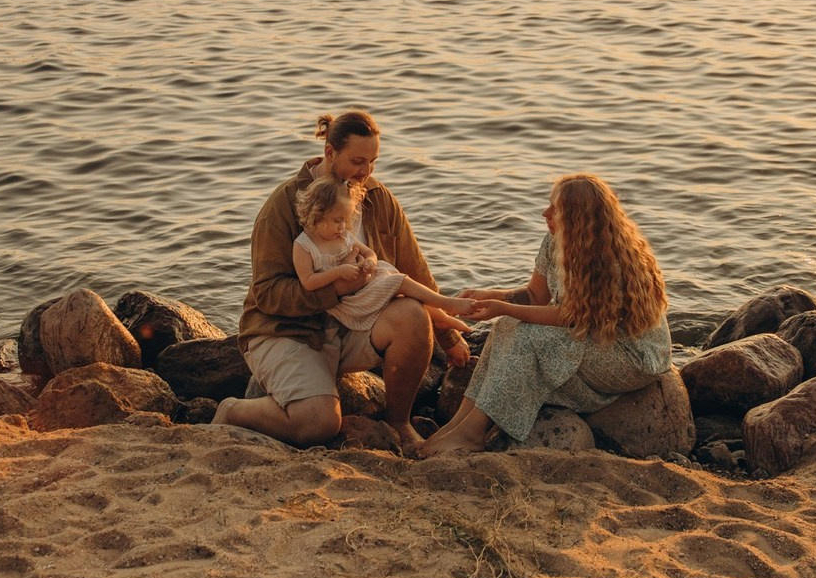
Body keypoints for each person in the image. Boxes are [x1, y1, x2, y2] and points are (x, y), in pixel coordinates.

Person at [219, 111, 471, 450]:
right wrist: (336, 288)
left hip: (353, 323)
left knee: (412, 315)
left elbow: (414, 269)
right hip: (288, 330)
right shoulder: (285, 204)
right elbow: (267, 293)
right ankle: (232, 410)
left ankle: (398, 424)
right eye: (357, 161)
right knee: (318, 423)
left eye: (373, 161)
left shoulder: (377, 197)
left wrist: (448, 337)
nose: (367, 172)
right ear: (330, 152)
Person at [418, 173, 672, 457]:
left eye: (555, 208)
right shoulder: (553, 241)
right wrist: (491, 295)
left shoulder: (605, 258)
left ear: (577, 218)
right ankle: (458, 425)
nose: (545, 212)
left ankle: (474, 433)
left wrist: (505, 308)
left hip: (631, 354)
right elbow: (534, 295)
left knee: (529, 337)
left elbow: (572, 318)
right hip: (593, 336)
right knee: (506, 326)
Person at [292, 175, 475, 330]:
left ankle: (441, 316)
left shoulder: (343, 236)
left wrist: (370, 262)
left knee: (399, 287)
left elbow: (368, 252)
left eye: (345, 220)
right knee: (399, 283)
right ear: (317, 215)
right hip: (349, 301)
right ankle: (445, 304)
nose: (342, 226)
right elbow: (308, 281)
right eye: (337, 221)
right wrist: (339, 272)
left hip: (366, 283)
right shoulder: (304, 245)